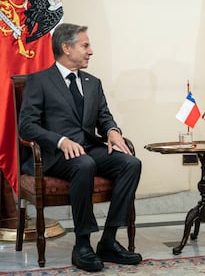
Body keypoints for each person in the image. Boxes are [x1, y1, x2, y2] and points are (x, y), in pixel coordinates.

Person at [19, 23, 142, 272]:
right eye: (85, 45)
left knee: (131, 163)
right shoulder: (39, 81)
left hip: (88, 148)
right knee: (84, 163)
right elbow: (26, 126)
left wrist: (112, 131)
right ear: (66, 47)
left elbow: (104, 116)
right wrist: (60, 141)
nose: (91, 51)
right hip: (55, 155)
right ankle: (82, 245)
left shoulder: (93, 82)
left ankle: (108, 240)